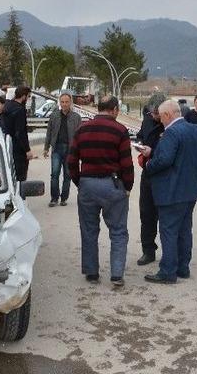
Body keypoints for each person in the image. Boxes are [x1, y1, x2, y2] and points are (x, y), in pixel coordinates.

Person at [141, 100, 197, 284]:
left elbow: (164, 160)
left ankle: (168, 271)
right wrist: (192, 163)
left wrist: (149, 164)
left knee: (168, 230)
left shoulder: (171, 133)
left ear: (167, 115)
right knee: (184, 229)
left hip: (172, 190)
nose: (160, 121)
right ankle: (183, 267)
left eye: (161, 117)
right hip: (191, 189)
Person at [67, 96, 133, 287]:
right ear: (114, 109)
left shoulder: (82, 129)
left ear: (98, 108)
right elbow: (126, 163)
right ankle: (117, 274)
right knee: (118, 230)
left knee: (89, 230)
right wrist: (127, 186)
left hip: (87, 184)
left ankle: (91, 272)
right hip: (112, 184)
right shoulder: (120, 130)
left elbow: (71, 161)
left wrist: (80, 182)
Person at [135, 92, 166, 266]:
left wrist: (152, 151)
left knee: (166, 216)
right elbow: (141, 134)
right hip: (148, 173)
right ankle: (148, 250)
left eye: (156, 114)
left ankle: (169, 253)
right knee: (146, 214)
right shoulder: (147, 119)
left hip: (165, 175)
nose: (154, 116)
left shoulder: (170, 123)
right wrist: (139, 143)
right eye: (152, 113)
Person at [43, 93, 82, 207]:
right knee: (54, 174)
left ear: (70, 103)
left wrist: (79, 151)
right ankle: (54, 198)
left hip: (70, 150)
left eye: (67, 102)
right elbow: (49, 132)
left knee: (68, 175)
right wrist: (46, 148)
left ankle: (64, 198)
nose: (64, 104)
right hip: (57, 148)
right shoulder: (54, 116)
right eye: (62, 102)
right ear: (59, 103)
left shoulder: (76, 117)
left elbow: (80, 135)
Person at [2, 86, 35, 182]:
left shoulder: (7, 106)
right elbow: (20, 132)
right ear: (24, 96)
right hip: (18, 149)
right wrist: (27, 150)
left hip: (7, 144)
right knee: (20, 177)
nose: (28, 99)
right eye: (28, 97)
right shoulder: (20, 110)